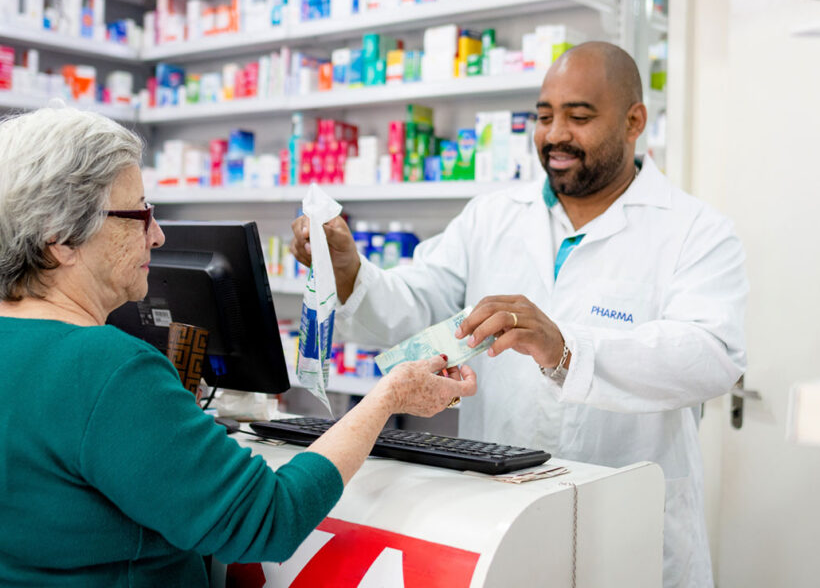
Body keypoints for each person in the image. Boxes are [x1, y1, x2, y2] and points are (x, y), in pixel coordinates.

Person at [291, 41, 748, 588]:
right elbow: (417, 305)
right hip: (499, 520)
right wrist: (350, 272)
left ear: (634, 121)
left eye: (579, 117)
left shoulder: (696, 229)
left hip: (630, 533)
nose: (555, 135)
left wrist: (568, 348)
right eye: (544, 116)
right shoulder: (492, 216)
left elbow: (711, 356)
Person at [0, 106, 477, 587]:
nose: (158, 235)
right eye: (138, 214)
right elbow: (268, 520)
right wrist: (386, 399)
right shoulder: (107, 369)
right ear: (59, 239)